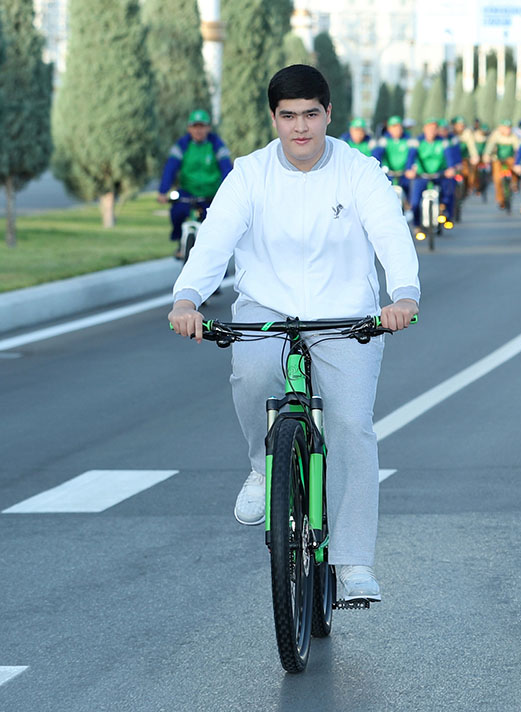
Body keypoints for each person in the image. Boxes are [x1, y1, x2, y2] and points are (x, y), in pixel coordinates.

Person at [168, 65, 419, 602]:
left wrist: (403, 295)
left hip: (346, 317)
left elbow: (391, 234)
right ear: (274, 118)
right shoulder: (249, 174)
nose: (300, 128)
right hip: (268, 307)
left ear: (329, 114)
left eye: (310, 115)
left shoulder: (360, 172)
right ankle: (263, 468)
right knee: (252, 370)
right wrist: (187, 297)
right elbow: (214, 240)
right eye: (288, 116)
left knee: (351, 426)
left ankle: (352, 563)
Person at [157, 109, 232, 258]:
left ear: (208, 128)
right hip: (187, 192)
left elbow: (226, 168)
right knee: (176, 211)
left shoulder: (216, 144)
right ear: (189, 128)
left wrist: (227, 191)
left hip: (210, 194)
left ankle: (218, 256)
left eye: (202, 126)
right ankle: (180, 242)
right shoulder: (182, 145)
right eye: (195, 126)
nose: (198, 130)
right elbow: (171, 167)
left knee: (215, 226)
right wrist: (163, 191)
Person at [406, 118, 458, 223]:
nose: (432, 131)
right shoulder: (417, 142)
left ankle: (446, 214)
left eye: (434, 129)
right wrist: (409, 169)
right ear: (424, 129)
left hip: (439, 175)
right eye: (429, 128)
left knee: (448, 193)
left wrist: (451, 168)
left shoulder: (443, 142)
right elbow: (411, 157)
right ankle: (417, 225)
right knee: (415, 202)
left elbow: (449, 157)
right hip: (422, 176)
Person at [373, 115, 414, 210]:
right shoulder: (384, 140)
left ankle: (409, 209)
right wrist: (378, 167)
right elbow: (377, 154)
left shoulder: (409, 139)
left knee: (410, 193)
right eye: (394, 127)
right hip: (389, 172)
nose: (397, 129)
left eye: (399, 126)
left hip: (404, 173)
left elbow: (412, 155)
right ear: (389, 129)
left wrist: (409, 168)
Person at [482, 119, 521, 209]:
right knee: (497, 179)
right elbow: (490, 146)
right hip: (498, 159)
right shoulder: (496, 135)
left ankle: (514, 183)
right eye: (505, 128)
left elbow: (517, 148)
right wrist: (487, 155)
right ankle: (500, 199)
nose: (507, 130)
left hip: (509, 158)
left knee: (515, 168)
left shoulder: (513, 136)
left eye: (509, 128)